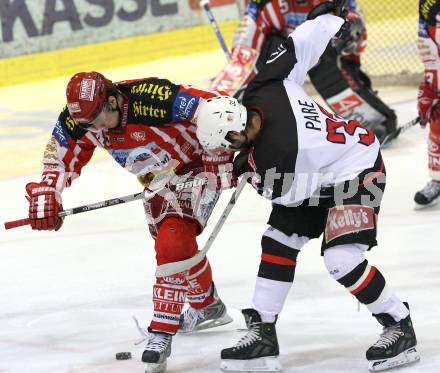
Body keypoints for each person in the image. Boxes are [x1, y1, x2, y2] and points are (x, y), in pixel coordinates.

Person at [196, 3, 419, 372]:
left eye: (226, 144)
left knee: (341, 259)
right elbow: (300, 43)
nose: (226, 150)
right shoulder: (262, 89)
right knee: (278, 239)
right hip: (322, 169)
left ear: (235, 133)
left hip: (358, 170)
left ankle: (399, 323)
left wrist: (247, 170)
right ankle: (264, 331)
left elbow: (288, 195)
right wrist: (327, 18)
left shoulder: (277, 155)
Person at [24, 71, 234, 373]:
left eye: (98, 118)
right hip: (158, 182)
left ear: (112, 99)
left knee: (172, 242)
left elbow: (214, 108)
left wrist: (219, 155)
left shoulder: (151, 98)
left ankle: (161, 332)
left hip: (197, 166)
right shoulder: (84, 119)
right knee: (177, 246)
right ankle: (207, 306)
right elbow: (58, 157)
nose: (94, 128)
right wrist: (48, 188)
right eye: (87, 124)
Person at [211, 0, 397, 142]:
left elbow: (358, 36)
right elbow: (245, 52)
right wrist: (218, 98)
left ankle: (369, 117)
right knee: (265, 54)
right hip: (282, 56)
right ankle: (250, 117)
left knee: (331, 59)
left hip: (323, 54)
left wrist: (351, 34)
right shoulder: (267, 4)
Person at [414, 0, 440, 208]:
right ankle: (438, 179)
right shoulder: (427, 4)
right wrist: (429, 90)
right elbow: (431, 53)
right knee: (437, 120)